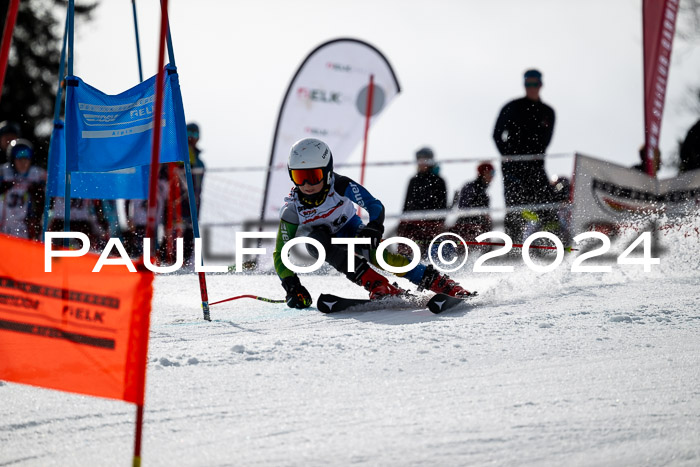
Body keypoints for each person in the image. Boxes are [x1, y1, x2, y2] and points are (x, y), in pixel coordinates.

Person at [273, 138, 474, 309]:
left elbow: (374, 205)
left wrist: (374, 226)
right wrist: (292, 287)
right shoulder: (292, 210)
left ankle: (443, 284)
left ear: (327, 172)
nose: (307, 185)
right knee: (315, 243)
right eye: (300, 177)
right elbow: (281, 254)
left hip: (352, 230)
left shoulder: (341, 185)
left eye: (313, 176)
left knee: (381, 255)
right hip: (327, 244)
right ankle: (378, 285)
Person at [493, 69, 555, 242]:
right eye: (528, 84)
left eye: (535, 83)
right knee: (515, 207)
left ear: (541, 85)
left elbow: (546, 140)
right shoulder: (513, 106)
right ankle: (513, 246)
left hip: (536, 166)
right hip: (513, 166)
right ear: (524, 85)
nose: (532, 87)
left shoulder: (548, 111)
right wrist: (508, 156)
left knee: (547, 205)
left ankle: (549, 241)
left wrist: (535, 155)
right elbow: (497, 134)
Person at [397, 147, 447, 258]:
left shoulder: (439, 181)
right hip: (412, 225)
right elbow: (406, 204)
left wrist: (438, 224)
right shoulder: (413, 180)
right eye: (420, 159)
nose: (422, 162)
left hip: (431, 225)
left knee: (429, 254)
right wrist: (403, 222)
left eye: (425, 159)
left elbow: (442, 205)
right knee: (406, 254)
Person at [0, 139, 46, 240]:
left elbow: (54, 185)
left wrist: (39, 192)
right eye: (19, 158)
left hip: (24, 226)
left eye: (26, 158)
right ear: (12, 159)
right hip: (3, 225)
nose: (23, 162)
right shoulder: (3, 172)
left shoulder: (37, 174)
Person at [452, 162, 494, 243]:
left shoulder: (482, 191)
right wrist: (482, 215)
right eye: (491, 172)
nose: (493, 176)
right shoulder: (471, 187)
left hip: (475, 228)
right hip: (467, 228)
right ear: (484, 172)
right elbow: (464, 208)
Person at [187, 122, 205, 215]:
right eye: (189, 133)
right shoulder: (176, 158)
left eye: (195, 134)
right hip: (176, 205)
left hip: (194, 204)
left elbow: (199, 187)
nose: (192, 138)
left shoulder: (200, 163)